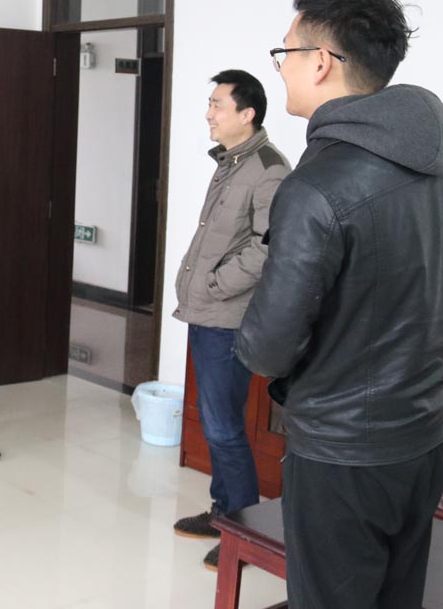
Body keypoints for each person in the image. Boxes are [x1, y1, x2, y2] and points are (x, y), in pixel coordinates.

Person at [236, 0, 443, 608]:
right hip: (425, 436)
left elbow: (268, 348)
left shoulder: (317, 187)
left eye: (284, 53)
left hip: (343, 454)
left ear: (320, 61)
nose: (281, 68)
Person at [170, 70, 291, 570]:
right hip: (208, 311)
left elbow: (269, 247)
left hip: (229, 316)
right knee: (216, 420)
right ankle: (225, 513)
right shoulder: (231, 161)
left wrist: (216, 286)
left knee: (223, 426)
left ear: (248, 114)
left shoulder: (268, 169)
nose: (209, 114)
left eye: (218, 105)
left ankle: (244, 534)